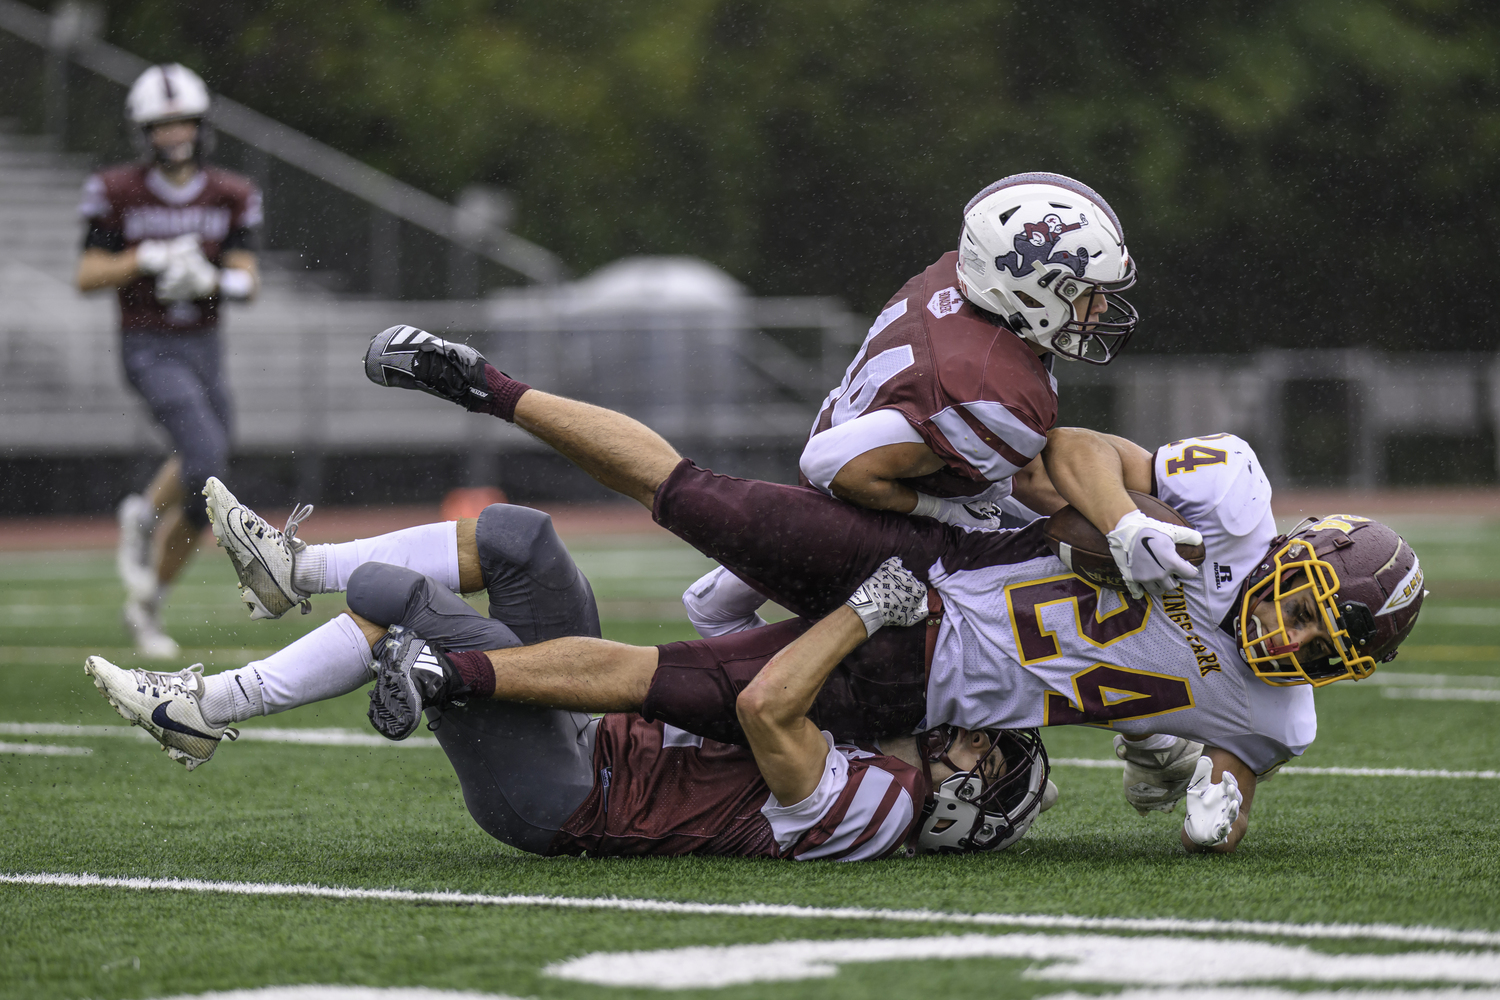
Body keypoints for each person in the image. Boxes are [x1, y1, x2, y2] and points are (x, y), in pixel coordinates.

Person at [347, 336, 1424, 853]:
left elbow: (1237, 769)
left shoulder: (1283, 711)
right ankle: (482, 382)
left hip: (917, 682)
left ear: (1343, 665)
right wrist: (1134, 525)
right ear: (1298, 550)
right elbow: (1076, 445)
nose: (1286, 633)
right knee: (689, 491)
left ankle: (450, 667)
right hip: (942, 561)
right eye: (1298, 603)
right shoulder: (1231, 500)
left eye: (1316, 641)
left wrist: (1218, 800)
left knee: (672, 678)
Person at [83, 498, 1054, 859]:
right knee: (521, 540)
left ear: (971, 803)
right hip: (599, 727)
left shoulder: (883, 809)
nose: (966, 734)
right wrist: (800, 556)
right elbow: (713, 621)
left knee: (412, 606)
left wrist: (858, 614)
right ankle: (294, 569)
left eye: (986, 753)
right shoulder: (879, 735)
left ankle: (203, 710)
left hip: (571, 792)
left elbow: (764, 704)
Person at [798, 172, 1137, 531]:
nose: (1100, 306)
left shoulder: (961, 289)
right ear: (1028, 292)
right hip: (862, 532)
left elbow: (1025, 475)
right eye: (1085, 291)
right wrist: (944, 512)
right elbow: (826, 463)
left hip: (868, 493)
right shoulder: (984, 385)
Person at [76, 63, 262, 657]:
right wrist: (146, 258)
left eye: (183, 121)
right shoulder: (116, 190)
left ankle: (148, 597)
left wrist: (212, 278)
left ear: (200, 124)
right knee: (205, 455)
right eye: (162, 124)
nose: (175, 133)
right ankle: (140, 517)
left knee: (209, 483)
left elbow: (248, 282)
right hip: (148, 342)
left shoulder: (232, 192)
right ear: (143, 131)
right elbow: (87, 274)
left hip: (204, 346)